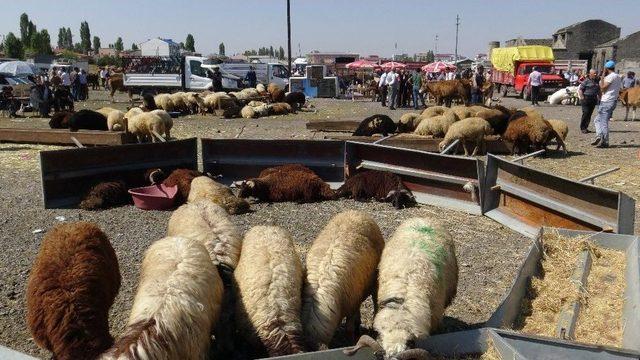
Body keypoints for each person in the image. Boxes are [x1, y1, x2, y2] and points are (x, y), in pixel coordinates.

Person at [592, 60, 623, 148]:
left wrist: (602, 76)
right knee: (597, 120)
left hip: (606, 101)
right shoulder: (617, 76)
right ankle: (599, 135)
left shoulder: (610, 77)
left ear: (606, 68)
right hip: (612, 101)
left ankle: (605, 141)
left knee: (603, 122)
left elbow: (602, 88)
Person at [577, 69, 600, 133]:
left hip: (593, 99)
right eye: (594, 73)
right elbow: (580, 90)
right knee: (586, 113)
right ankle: (582, 128)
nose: (596, 75)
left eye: (596, 73)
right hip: (586, 98)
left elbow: (598, 90)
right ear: (590, 74)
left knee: (589, 114)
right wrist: (582, 98)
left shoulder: (597, 81)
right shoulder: (586, 81)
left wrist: (600, 98)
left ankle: (586, 127)